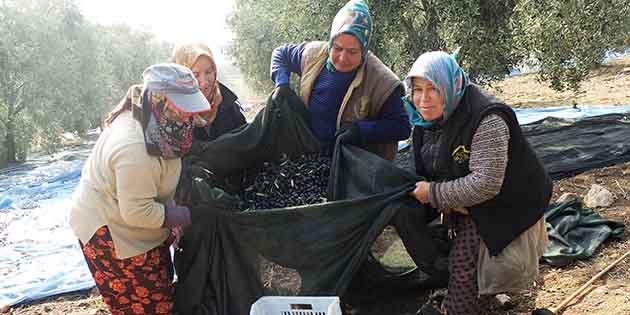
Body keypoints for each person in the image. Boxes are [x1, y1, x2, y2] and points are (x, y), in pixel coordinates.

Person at [404, 51, 552, 315]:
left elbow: (485, 184)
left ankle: (462, 306)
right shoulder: (428, 120)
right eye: (417, 90)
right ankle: (480, 301)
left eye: (433, 89)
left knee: (465, 267)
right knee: (461, 263)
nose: (423, 100)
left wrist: (434, 193)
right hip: (473, 201)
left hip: (508, 203)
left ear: (448, 87)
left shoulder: (487, 120)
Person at [69, 63, 211, 315]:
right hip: (111, 233)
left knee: (161, 288)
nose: (189, 117)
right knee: (146, 307)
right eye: (183, 108)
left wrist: (173, 209)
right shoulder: (133, 145)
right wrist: (188, 216)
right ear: (158, 99)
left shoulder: (161, 123)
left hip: (135, 221)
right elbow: (138, 212)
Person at [269, 0, 410, 160]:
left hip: (353, 164)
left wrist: (360, 130)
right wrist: (282, 83)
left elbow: (402, 127)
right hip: (310, 153)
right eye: (337, 48)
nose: (342, 58)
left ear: (363, 50)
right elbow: (280, 54)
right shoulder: (313, 54)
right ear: (330, 43)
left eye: (352, 51)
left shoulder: (382, 81)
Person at [171, 41, 247, 142]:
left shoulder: (228, 103)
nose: (204, 82)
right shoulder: (171, 112)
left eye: (208, 72)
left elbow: (245, 142)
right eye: (195, 74)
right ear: (181, 76)